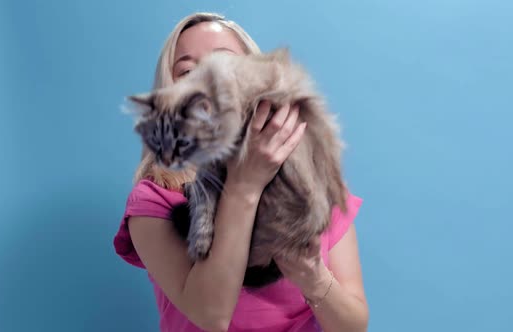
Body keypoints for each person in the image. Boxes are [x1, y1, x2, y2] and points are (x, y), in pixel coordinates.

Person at [113, 12, 369, 332]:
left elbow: (354, 327)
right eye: (188, 71)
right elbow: (211, 316)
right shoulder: (154, 200)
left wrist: (314, 279)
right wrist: (245, 184)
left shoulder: (317, 183)